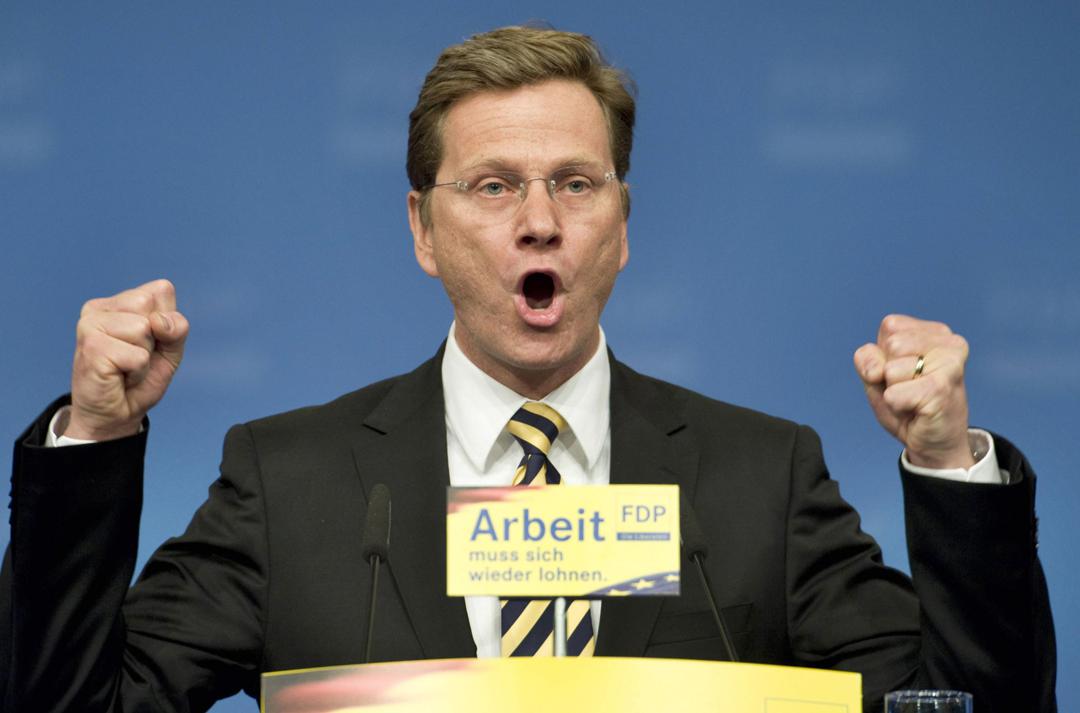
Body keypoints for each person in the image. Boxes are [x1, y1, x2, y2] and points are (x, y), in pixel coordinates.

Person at [0, 26, 1055, 713]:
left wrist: (948, 461)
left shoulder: (759, 474)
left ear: (624, 223)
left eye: (576, 183)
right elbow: (72, 705)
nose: (540, 222)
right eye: (493, 185)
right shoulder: (294, 480)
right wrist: (95, 439)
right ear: (422, 229)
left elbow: (970, 707)